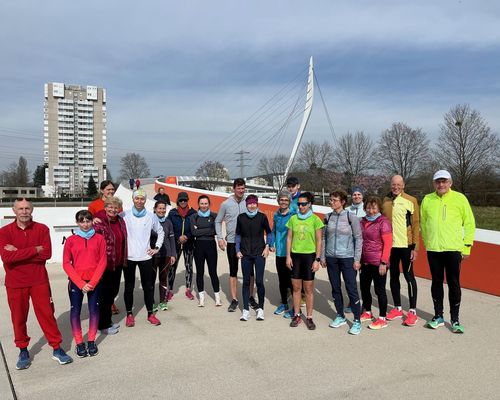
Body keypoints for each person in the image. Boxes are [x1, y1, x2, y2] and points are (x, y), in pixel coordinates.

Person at [0, 198, 73, 370]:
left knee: (47, 315)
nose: (24, 212)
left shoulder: (42, 229)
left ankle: (57, 348)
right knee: (18, 317)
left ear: (32, 210)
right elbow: (7, 257)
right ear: (14, 211)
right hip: (15, 282)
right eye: (21, 209)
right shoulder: (4, 232)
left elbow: (46, 254)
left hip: (38, 280)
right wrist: (34, 250)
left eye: (27, 208)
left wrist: (18, 252)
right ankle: (23, 350)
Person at [420, 170, 475, 333]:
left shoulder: (460, 198)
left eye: (444, 181)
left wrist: (467, 246)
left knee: (454, 283)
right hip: (434, 249)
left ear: (450, 183)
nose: (441, 185)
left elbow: (470, 223)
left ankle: (455, 319)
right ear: (434, 184)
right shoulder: (427, 199)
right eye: (438, 182)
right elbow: (423, 223)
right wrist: (427, 242)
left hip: (453, 249)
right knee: (436, 282)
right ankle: (438, 316)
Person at [62, 210, 107, 357]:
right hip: (77, 282)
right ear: (77, 223)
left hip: (95, 282)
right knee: (75, 311)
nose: (85, 224)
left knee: (94, 310)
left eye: (88, 220)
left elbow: (102, 261)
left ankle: (92, 341)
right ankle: (80, 342)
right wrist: (81, 284)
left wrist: (93, 282)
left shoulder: (99, 238)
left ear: (92, 221)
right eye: (82, 221)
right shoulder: (70, 240)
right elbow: (66, 263)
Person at [321, 190, 363, 335]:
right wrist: (322, 256)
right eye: (331, 200)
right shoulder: (327, 217)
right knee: (335, 288)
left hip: (347, 257)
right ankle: (340, 316)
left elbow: (359, 238)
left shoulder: (351, 217)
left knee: (351, 289)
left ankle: (357, 320)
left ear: (343, 202)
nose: (331, 202)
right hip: (331, 257)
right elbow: (324, 238)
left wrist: (357, 259)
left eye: (334, 200)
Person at [122, 189, 164, 327]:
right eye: (137, 199)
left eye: (142, 199)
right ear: (133, 199)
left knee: (148, 287)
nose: (139, 201)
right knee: (129, 287)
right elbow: (109, 220)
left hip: (146, 257)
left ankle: (150, 314)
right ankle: (129, 314)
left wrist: (156, 248)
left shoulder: (151, 216)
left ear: (145, 200)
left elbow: (160, 231)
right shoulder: (124, 215)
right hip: (129, 257)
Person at [382, 175, 420, 326]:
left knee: (409, 277)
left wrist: (416, 247)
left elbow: (416, 224)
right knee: (394, 277)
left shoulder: (411, 200)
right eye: (393, 184)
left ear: (403, 185)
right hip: (391, 246)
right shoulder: (385, 201)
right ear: (390, 185)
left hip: (406, 245)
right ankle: (398, 308)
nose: (395, 187)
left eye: (398, 184)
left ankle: (412, 312)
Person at [215, 178, 256, 312]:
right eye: (238, 188)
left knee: (250, 272)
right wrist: (220, 238)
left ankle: (250, 297)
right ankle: (234, 299)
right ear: (234, 189)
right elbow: (218, 221)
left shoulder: (249, 202)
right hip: (232, 242)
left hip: (247, 242)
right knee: (233, 271)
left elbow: (257, 218)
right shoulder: (225, 204)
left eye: (243, 188)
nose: (241, 190)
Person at [286, 192, 324, 330]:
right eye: (299, 204)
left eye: (303, 204)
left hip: (309, 257)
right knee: (296, 288)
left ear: (309, 204)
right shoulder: (293, 219)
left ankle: (309, 317)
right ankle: (296, 315)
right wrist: (288, 256)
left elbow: (319, 240)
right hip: (295, 257)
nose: (301, 206)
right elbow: (289, 238)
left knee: (308, 289)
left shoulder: (315, 219)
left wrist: (317, 259)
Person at [93, 196, 128, 335]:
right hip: (105, 264)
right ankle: (102, 325)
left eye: (116, 207)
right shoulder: (99, 221)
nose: (113, 210)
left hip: (118, 262)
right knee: (105, 295)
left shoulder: (120, 220)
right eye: (110, 207)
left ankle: (107, 320)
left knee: (113, 292)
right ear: (105, 207)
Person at [236, 195, 272, 321]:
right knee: (246, 281)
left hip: (259, 253)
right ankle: (245, 310)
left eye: (254, 203)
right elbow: (238, 234)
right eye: (249, 204)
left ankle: (260, 309)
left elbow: (269, 232)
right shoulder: (241, 218)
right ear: (246, 205)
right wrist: (237, 250)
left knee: (259, 282)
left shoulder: (262, 217)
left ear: (257, 204)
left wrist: (267, 246)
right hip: (245, 253)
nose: (252, 206)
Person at [88, 179, 122, 315]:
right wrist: (92, 220)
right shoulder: (95, 205)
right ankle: (103, 308)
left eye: (112, 190)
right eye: (108, 189)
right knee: (103, 283)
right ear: (102, 190)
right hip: (101, 249)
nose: (111, 192)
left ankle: (110, 303)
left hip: (115, 250)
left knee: (113, 284)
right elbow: (86, 220)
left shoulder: (117, 204)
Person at [359, 196, 393, 330]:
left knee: (380, 290)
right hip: (365, 261)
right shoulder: (362, 221)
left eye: (374, 208)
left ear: (379, 208)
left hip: (379, 262)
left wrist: (384, 262)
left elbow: (388, 243)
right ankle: (367, 311)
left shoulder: (383, 222)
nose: (371, 210)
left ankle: (382, 318)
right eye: (368, 207)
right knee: (364, 288)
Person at [190, 195, 221, 307]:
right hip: (198, 246)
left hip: (211, 245)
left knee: (213, 272)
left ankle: (217, 297)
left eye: (206, 203)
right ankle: (201, 298)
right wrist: (208, 230)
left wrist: (201, 230)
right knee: (200, 272)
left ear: (209, 204)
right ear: (198, 204)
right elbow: (194, 232)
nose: (204, 205)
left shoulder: (214, 216)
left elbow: (216, 231)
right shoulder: (194, 217)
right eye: (202, 203)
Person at [167, 191, 196, 300]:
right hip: (176, 244)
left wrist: (187, 236)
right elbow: (170, 228)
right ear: (177, 201)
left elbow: (195, 228)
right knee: (172, 267)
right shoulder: (172, 213)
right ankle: (169, 290)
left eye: (185, 200)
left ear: (188, 200)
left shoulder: (193, 213)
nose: (183, 202)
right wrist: (178, 237)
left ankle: (188, 289)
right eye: (181, 200)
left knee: (189, 266)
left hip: (189, 244)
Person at [270, 191, 294, 317]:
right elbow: (273, 231)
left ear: (289, 201)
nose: (283, 202)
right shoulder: (276, 215)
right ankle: (284, 303)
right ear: (278, 201)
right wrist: (271, 244)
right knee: (282, 280)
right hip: (279, 252)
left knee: (292, 280)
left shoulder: (294, 214)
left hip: (291, 253)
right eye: (281, 199)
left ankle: (294, 308)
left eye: (286, 200)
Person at [151, 200, 176, 311]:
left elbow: (171, 239)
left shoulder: (168, 222)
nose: (162, 210)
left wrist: (173, 254)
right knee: (150, 279)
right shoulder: (150, 220)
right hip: (152, 255)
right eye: (159, 208)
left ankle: (162, 302)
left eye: (163, 208)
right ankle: (151, 302)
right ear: (155, 209)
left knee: (163, 279)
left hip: (166, 255)